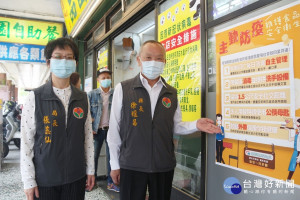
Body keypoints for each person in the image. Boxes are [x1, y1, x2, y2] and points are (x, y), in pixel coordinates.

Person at [107, 40, 221, 200]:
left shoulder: (171, 93)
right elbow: (114, 130)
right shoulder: (124, 89)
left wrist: (196, 124)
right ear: (139, 60)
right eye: (148, 57)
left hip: (163, 164)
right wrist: (115, 165)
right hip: (132, 163)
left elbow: (176, 126)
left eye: (159, 58)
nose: (153, 62)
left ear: (165, 62)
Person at [20, 37, 95, 200]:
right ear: (48, 62)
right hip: (45, 178)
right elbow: (26, 143)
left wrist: (90, 169)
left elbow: (87, 137)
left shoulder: (83, 98)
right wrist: (28, 180)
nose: (64, 61)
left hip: (75, 176)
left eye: (69, 57)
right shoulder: (35, 97)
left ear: (75, 63)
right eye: (58, 57)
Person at [87, 68, 119, 192]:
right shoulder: (92, 94)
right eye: (103, 78)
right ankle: (92, 181)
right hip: (97, 131)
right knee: (93, 156)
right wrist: (90, 126)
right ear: (98, 80)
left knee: (112, 157)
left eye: (108, 77)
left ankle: (111, 182)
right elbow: (86, 111)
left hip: (112, 131)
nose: (106, 80)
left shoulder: (116, 93)